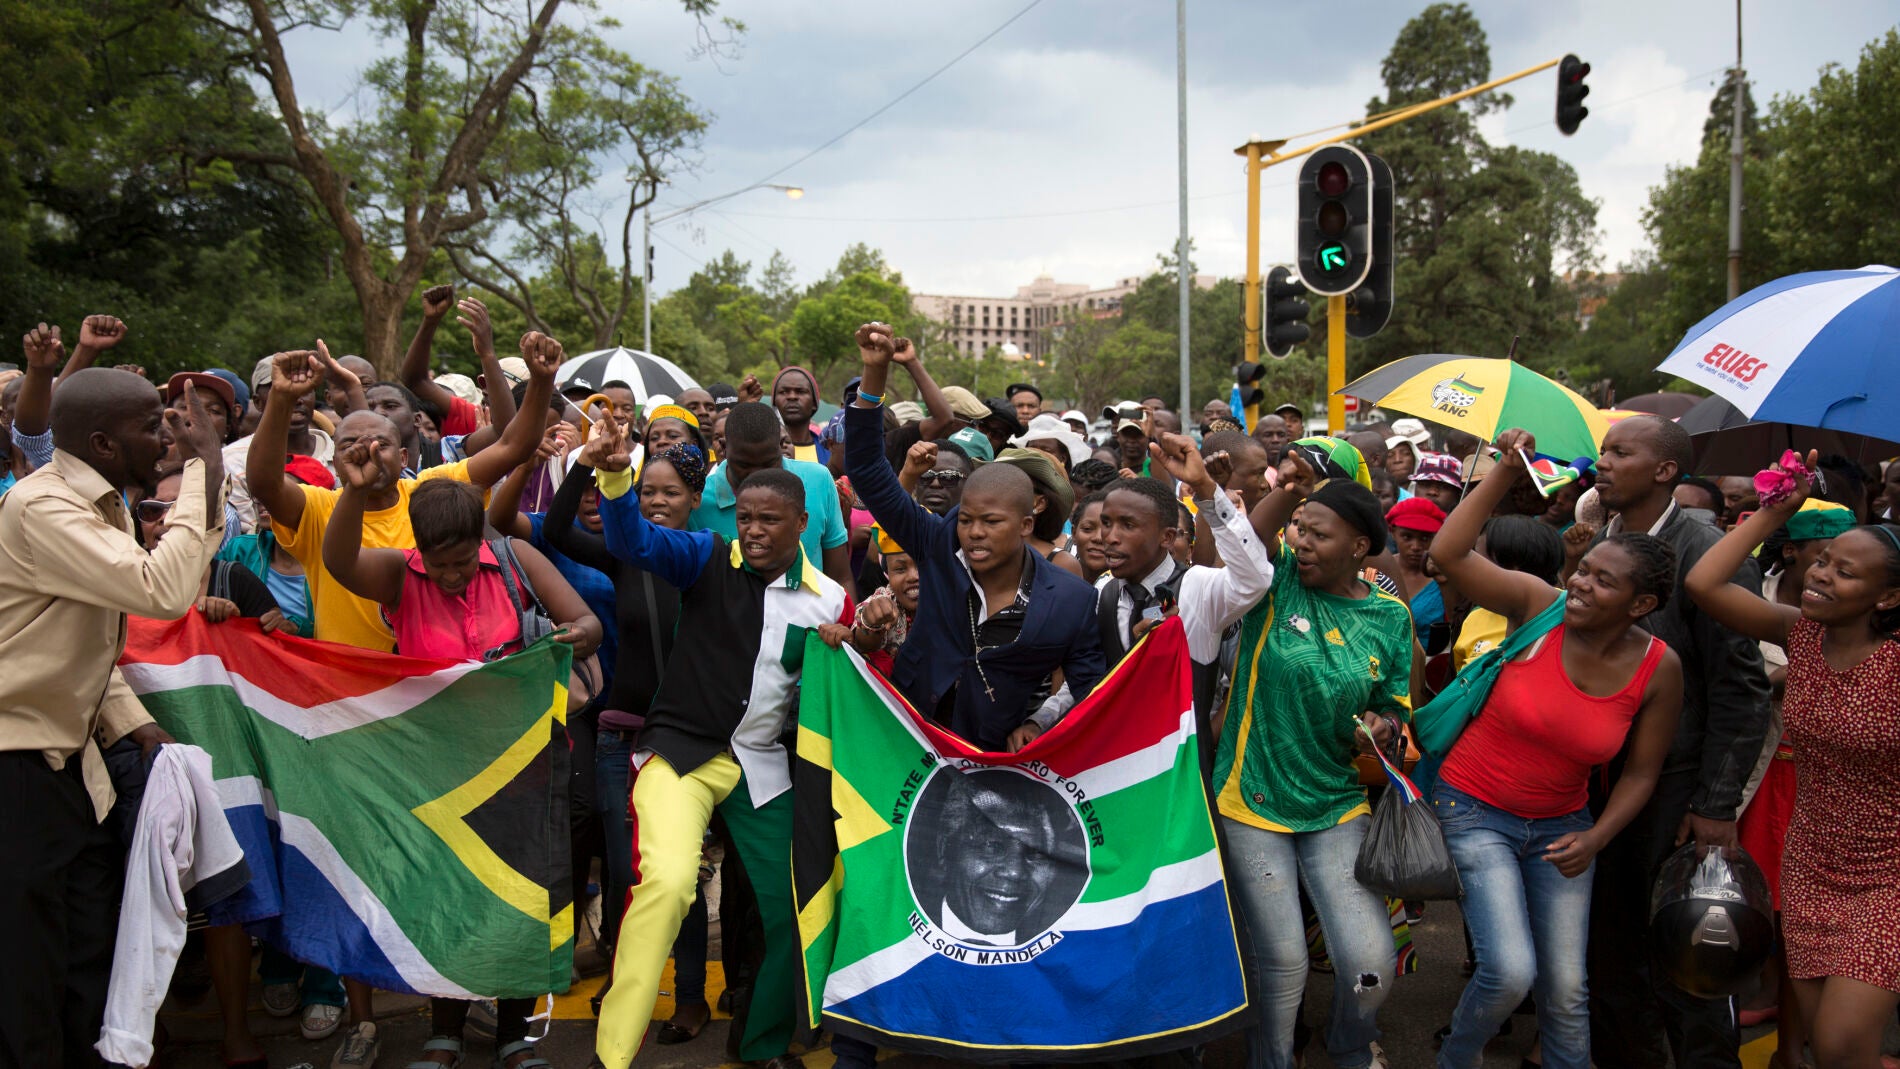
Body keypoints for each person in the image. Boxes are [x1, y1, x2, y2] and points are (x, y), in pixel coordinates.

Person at [245, 335, 558, 1066]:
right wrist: (284, 403)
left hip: (448, 723)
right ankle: (364, 1016)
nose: (365, 451)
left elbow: (514, 444)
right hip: (356, 714)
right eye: (349, 440)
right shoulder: (326, 507)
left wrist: (538, 380)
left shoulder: (439, 495)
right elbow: (264, 480)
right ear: (335, 451)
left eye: (378, 439)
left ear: (410, 440)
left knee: (458, 869)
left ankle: (474, 1010)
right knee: (374, 866)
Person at [585, 418, 850, 1069]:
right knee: (671, 884)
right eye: (747, 517)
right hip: (681, 756)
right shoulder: (705, 554)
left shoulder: (830, 601)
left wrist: (861, 640)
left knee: (800, 900)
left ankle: (758, 1042)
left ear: (801, 523)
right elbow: (632, 538)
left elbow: (842, 692)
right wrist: (617, 475)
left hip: (762, 767)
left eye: (769, 520)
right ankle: (611, 1055)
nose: (753, 530)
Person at [320, 460, 598, 1069]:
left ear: (482, 543)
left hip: (524, 764)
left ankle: (514, 1037)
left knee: (520, 898)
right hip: (438, 773)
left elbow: (588, 623)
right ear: (417, 549)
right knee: (447, 900)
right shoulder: (398, 577)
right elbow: (339, 563)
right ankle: (442, 1032)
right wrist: (351, 490)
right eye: (438, 563)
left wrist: (572, 636)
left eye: (463, 562)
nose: (450, 576)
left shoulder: (520, 560)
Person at [1428, 429, 1685, 1069]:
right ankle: (1457, 1059)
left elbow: (1641, 773)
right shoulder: (1538, 606)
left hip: (1564, 831)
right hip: (1473, 808)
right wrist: (1503, 471)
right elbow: (1450, 551)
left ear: (1642, 605)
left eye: (1604, 583)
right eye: (1585, 571)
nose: (1581, 585)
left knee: (1567, 992)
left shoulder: (1659, 668)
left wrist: (1596, 838)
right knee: (1509, 972)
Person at [0, 363, 223, 1067]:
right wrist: (200, 472)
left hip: (73, 763)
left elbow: (81, 637)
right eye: (148, 424)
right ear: (100, 442)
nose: (164, 436)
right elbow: (160, 588)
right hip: (18, 763)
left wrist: (134, 722)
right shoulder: (44, 507)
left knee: (87, 955)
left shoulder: (104, 503)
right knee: (27, 973)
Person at [1684, 458, 1900, 1069]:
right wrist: (1775, 512)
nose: (1823, 576)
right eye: (1823, 561)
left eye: (1845, 573)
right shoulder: (1802, 636)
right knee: (1818, 1049)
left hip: (1889, 876)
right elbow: (1704, 584)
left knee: (1841, 1044)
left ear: (1887, 597)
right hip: (1810, 863)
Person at [1583, 415, 1771, 1069]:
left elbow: (1741, 687)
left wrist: (1716, 801)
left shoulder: (1704, 550)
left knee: (1685, 951)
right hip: (1595, 784)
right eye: (1603, 450)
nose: (1603, 461)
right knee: (1608, 955)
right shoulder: (1594, 544)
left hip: (1675, 786)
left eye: (1621, 451)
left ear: (1666, 470)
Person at [1217, 448, 1413, 1069]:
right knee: (1282, 961)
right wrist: (1291, 488)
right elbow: (1241, 541)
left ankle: (1352, 1049)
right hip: (1251, 795)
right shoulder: (1275, 581)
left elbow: (1397, 708)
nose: (1302, 542)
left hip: (1336, 802)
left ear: (1360, 548)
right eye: (1300, 529)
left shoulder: (1390, 617)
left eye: (1318, 534)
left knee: (1370, 963)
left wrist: (1382, 729)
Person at [847, 325, 1105, 752]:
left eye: (991, 522)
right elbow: (870, 473)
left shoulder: (1071, 601)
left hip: (994, 759)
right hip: (905, 742)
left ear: (1026, 524)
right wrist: (874, 376)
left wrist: (1040, 724)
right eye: (966, 519)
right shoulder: (937, 542)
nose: (974, 533)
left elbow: (1092, 691)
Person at [1030, 434, 1273, 764]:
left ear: (1167, 537)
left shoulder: (1198, 588)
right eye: (1105, 523)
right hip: (1118, 770)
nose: (1109, 538)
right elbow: (1087, 683)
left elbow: (1255, 578)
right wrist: (1038, 720)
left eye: (1127, 525)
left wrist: (1205, 488)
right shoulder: (1103, 591)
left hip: (1181, 775)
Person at [690, 401, 852, 591]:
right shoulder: (698, 502)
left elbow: (841, 579)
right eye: (744, 466)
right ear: (724, 447)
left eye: (768, 464)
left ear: (780, 445)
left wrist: (847, 621)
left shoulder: (818, 481)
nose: (758, 476)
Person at [1387, 497, 1448, 647]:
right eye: (1407, 537)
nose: (1415, 546)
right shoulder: (1377, 569)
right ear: (1393, 532)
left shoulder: (1445, 578)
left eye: (1425, 538)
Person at [770, 366, 825, 464]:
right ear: (774, 402)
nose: (792, 396)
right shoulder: (763, 450)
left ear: (814, 403)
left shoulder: (829, 450)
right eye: (784, 392)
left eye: (801, 391)